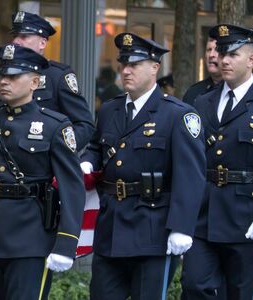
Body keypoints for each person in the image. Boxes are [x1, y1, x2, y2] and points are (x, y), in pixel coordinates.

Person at [0, 44, 84, 299]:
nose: (4, 81)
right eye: (2, 75)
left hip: (30, 236)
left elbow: (72, 189)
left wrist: (66, 243)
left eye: (13, 76)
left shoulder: (54, 125)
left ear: (34, 82)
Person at [82, 33, 206, 299]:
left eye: (134, 64)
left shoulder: (177, 115)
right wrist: (86, 162)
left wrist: (181, 227)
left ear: (154, 67)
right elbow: (96, 147)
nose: (126, 70)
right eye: (123, 64)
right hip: (111, 227)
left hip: (153, 229)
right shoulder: (110, 110)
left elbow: (190, 176)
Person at [181, 24, 253, 300]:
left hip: (250, 216)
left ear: (252, 60)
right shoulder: (202, 102)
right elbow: (191, 162)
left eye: (233, 54)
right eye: (221, 53)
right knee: (195, 286)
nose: (224, 60)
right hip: (205, 218)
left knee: (244, 294)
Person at [0, 11, 94, 150]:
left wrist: (59, 153)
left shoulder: (57, 75)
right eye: (15, 36)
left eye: (24, 36)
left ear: (42, 43)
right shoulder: (0, 74)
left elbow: (84, 125)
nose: (16, 41)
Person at [182, 32, 223, 105]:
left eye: (217, 50)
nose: (211, 55)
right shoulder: (194, 92)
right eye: (209, 50)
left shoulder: (234, 90)